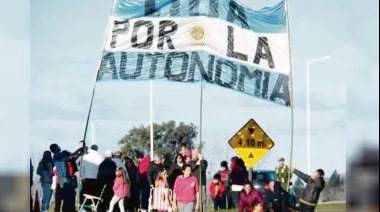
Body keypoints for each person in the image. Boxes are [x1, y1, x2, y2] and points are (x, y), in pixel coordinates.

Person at [50, 143, 83, 212]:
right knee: (68, 195)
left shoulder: (60, 156)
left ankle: (68, 209)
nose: (59, 147)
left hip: (66, 177)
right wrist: (79, 149)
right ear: (55, 149)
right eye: (58, 146)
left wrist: (79, 154)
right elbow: (70, 156)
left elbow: (72, 159)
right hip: (63, 177)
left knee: (68, 195)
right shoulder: (58, 156)